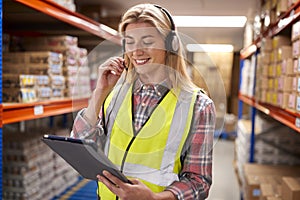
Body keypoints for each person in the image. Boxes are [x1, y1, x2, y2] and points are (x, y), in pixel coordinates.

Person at [71, 3, 216, 200]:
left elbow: (199, 182)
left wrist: (154, 198)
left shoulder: (198, 105)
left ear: (170, 45)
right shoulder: (114, 94)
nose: (136, 51)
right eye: (130, 42)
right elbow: (83, 148)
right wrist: (99, 93)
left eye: (147, 41)